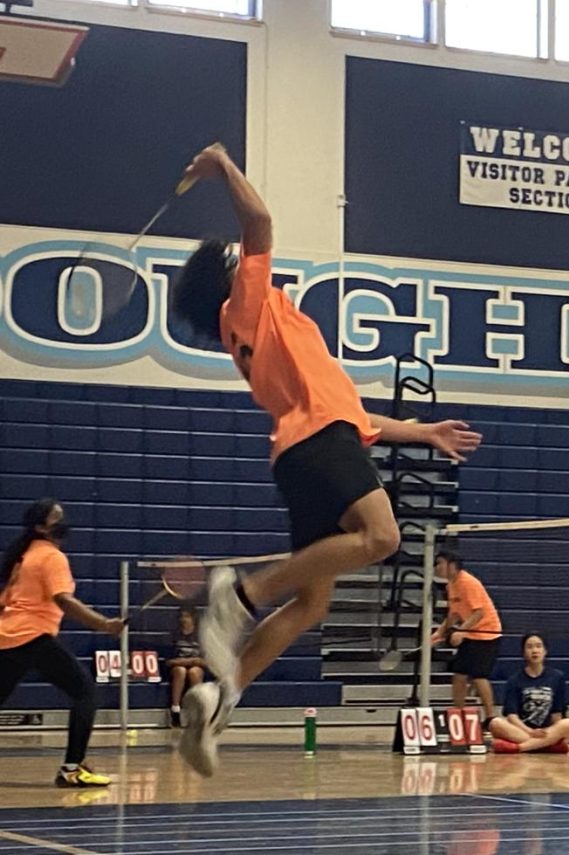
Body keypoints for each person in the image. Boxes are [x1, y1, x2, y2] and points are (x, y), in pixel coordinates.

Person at [170, 144, 482, 776]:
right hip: (319, 443)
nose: (243, 262)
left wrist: (422, 434)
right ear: (225, 282)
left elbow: (359, 418)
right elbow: (258, 225)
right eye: (232, 264)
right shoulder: (247, 307)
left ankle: (220, 694)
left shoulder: (255, 336)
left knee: (312, 605)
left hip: (305, 450)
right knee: (382, 536)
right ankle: (242, 591)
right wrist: (225, 167)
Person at [0, 498, 124, 787]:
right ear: (41, 527)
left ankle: (73, 766)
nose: (64, 521)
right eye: (58, 518)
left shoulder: (25, 556)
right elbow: (64, 600)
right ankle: (72, 768)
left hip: (8, 637)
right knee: (86, 693)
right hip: (33, 636)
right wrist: (104, 624)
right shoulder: (52, 557)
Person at [430, 550, 501, 723]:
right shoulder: (451, 585)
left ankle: (491, 718)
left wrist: (461, 631)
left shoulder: (468, 582)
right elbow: (453, 614)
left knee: (479, 676)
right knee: (459, 674)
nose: (436, 567)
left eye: (439, 563)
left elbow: (479, 613)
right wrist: (439, 632)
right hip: (471, 633)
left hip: (487, 633)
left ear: (452, 565)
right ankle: (458, 715)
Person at [489, 632, 569, 753]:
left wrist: (559, 734)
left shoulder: (557, 677)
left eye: (538, 646)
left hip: (546, 731)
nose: (534, 650)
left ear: (545, 651)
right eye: (529, 647)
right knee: (495, 723)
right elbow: (511, 716)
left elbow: (557, 714)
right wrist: (530, 732)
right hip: (522, 731)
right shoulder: (514, 680)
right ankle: (548, 746)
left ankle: (519, 748)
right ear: (524, 653)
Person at [167, 606, 205, 727]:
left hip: (196, 667)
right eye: (182, 616)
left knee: (194, 672)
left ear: (194, 619)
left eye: (187, 616)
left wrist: (187, 661)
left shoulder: (201, 636)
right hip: (179, 667)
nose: (184, 619)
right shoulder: (174, 636)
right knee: (180, 671)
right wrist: (191, 661)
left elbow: (205, 661)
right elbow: (169, 662)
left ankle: (198, 711)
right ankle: (175, 710)